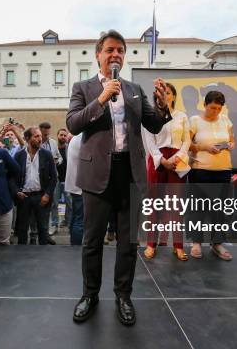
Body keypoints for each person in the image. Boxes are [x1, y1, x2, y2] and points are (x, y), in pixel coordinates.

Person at [66, 29, 171, 326]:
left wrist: (164, 107)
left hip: (130, 174)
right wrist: (100, 99)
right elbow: (73, 124)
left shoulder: (134, 89)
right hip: (97, 173)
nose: (116, 55)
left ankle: (123, 296)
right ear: (98, 54)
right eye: (110, 50)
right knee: (92, 241)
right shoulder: (83, 87)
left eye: (120, 51)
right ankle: (89, 294)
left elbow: (153, 123)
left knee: (128, 243)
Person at [142, 82, 191, 261]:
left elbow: (187, 141)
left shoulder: (183, 116)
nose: (164, 95)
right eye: (161, 93)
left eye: (168, 92)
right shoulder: (150, 116)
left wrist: (177, 157)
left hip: (177, 161)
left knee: (176, 206)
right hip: (157, 160)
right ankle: (150, 244)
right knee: (154, 205)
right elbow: (149, 141)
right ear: (156, 97)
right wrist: (162, 159)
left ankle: (178, 246)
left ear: (174, 96)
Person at [187, 91, 235, 261]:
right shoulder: (194, 120)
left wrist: (229, 145)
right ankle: (196, 242)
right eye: (212, 107)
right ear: (205, 105)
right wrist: (204, 147)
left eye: (219, 108)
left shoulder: (225, 120)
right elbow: (187, 144)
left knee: (219, 209)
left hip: (223, 170)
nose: (215, 111)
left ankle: (217, 243)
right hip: (200, 170)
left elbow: (232, 140)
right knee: (198, 208)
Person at [13, 127, 58, 245]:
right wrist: (16, 191)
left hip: (41, 197)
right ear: (27, 139)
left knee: (43, 229)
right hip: (24, 198)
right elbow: (11, 177)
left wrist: (47, 194)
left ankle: (43, 256)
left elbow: (54, 178)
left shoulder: (47, 155)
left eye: (40, 136)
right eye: (36, 136)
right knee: (22, 229)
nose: (40, 139)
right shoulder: (18, 156)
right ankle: (21, 255)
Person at [39, 121, 63, 235]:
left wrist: (56, 162)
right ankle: (43, 226)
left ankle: (54, 225)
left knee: (54, 202)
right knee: (42, 202)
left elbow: (60, 158)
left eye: (48, 134)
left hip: (53, 178)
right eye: (44, 134)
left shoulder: (53, 143)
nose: (46, 136)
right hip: (40, 179)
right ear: (40, 131)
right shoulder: (36, 144)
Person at [64, 133, 84, 245]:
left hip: (74, 186)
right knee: (80, 221)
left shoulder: (75, 139)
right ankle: (76, 247)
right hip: (81, 187)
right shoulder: (82, 139)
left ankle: (73, 244)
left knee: (76, 217)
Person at [56, 128, 71, 228]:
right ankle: (56, 222)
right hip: (56, 180)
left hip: (67, 180)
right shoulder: (54, 148)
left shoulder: (69, 148)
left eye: (65, 135)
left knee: (68, 203)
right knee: (56, 204)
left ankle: (68, 221)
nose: (63, 137)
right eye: (61, 135)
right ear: (57, 136)